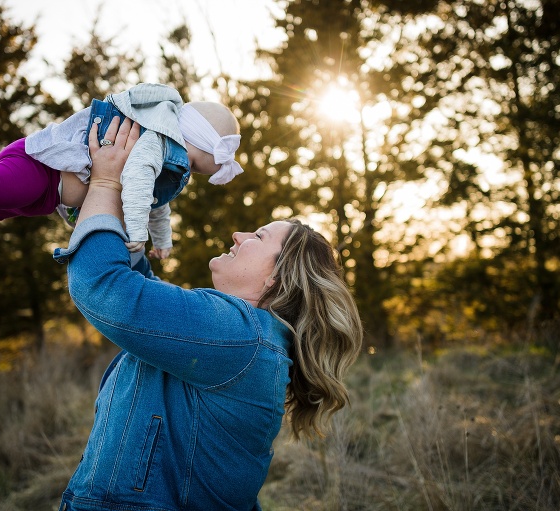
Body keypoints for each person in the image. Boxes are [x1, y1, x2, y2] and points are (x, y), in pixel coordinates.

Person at [50, 117, 363, 511]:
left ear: (278, 278)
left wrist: (106, 183)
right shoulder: (242, 334)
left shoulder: (240, 335)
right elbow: (139, 287)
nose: (239, 236)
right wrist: (128, 195)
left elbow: (104, 285)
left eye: (259, 237)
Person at [0, 82, 243, 286]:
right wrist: (136, 233)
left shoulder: (172, 164)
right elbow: (137, 180)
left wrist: (162, 238)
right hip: (41, 167)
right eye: (224, 153)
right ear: (205, 141)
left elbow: (157, 203)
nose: (222, 168)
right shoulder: (160, 138)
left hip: (48, 193)